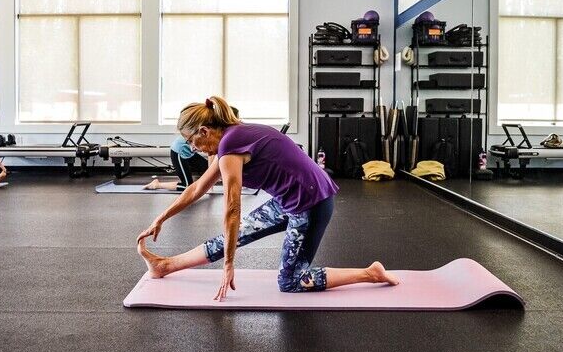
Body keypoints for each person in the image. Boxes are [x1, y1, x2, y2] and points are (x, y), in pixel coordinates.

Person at [136, 96, 400, 302]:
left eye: (191, 141)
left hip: (311, 204)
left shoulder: (230, 146)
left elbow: (232, 209)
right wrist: (161, 218)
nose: (193, 148)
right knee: (231, 236)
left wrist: (228, 264)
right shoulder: (230, 138)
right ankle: (164, 266)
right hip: (290, 200)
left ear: (204, 131)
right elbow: (196, 189)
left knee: (290, 282)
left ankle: (370, 273)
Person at [143, 106, 239, 192]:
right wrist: (210, 185)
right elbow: (211, 156)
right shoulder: (213, 129)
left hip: (189, 153)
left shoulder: (221, 131)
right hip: (179, 152)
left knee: (214, 172)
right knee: (187, 186)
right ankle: (157, 184)